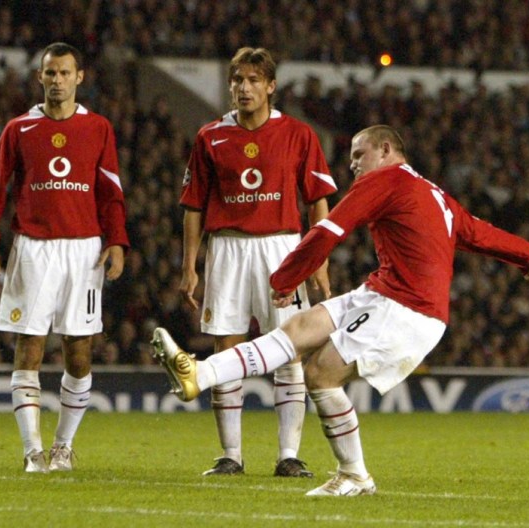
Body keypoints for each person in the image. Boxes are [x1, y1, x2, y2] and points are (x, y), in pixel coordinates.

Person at [153, 125, 529, 496]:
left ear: (386, 150)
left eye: (360, 154)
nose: (353, 163)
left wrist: (286, 277)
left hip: (408, 307)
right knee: (299, 328)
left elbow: (330, 229)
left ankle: (354, 474)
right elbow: (479, 233)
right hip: (381, 293)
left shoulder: (386, 179)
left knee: (321, 373)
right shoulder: (433, 192)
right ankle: (201, 373)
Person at [0, 42, 128, 473]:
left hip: (84, 250)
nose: (57, 80)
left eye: (64, 73)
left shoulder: (98, 128)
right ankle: (32, 451)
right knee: (30, 348)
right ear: (39, 78)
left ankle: (63, 445)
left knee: (79, 352)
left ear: (79, 78)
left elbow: (110, 193)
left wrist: (117, 241)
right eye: (50, 73)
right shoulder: (18, 129)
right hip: (33, 249)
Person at [178, 47, 335, 477]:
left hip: (282, 247)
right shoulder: (210, 136)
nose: (243, 88)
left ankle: (288, 455)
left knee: (289, 350)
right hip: (227, 247)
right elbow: (193, 205)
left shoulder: (298, 134)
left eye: (252, 80)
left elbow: (318, 201)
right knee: (225, 346)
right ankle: (231, 455)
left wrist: (317, 258)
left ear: (270, 86)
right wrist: (189, 265)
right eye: (237, 81)